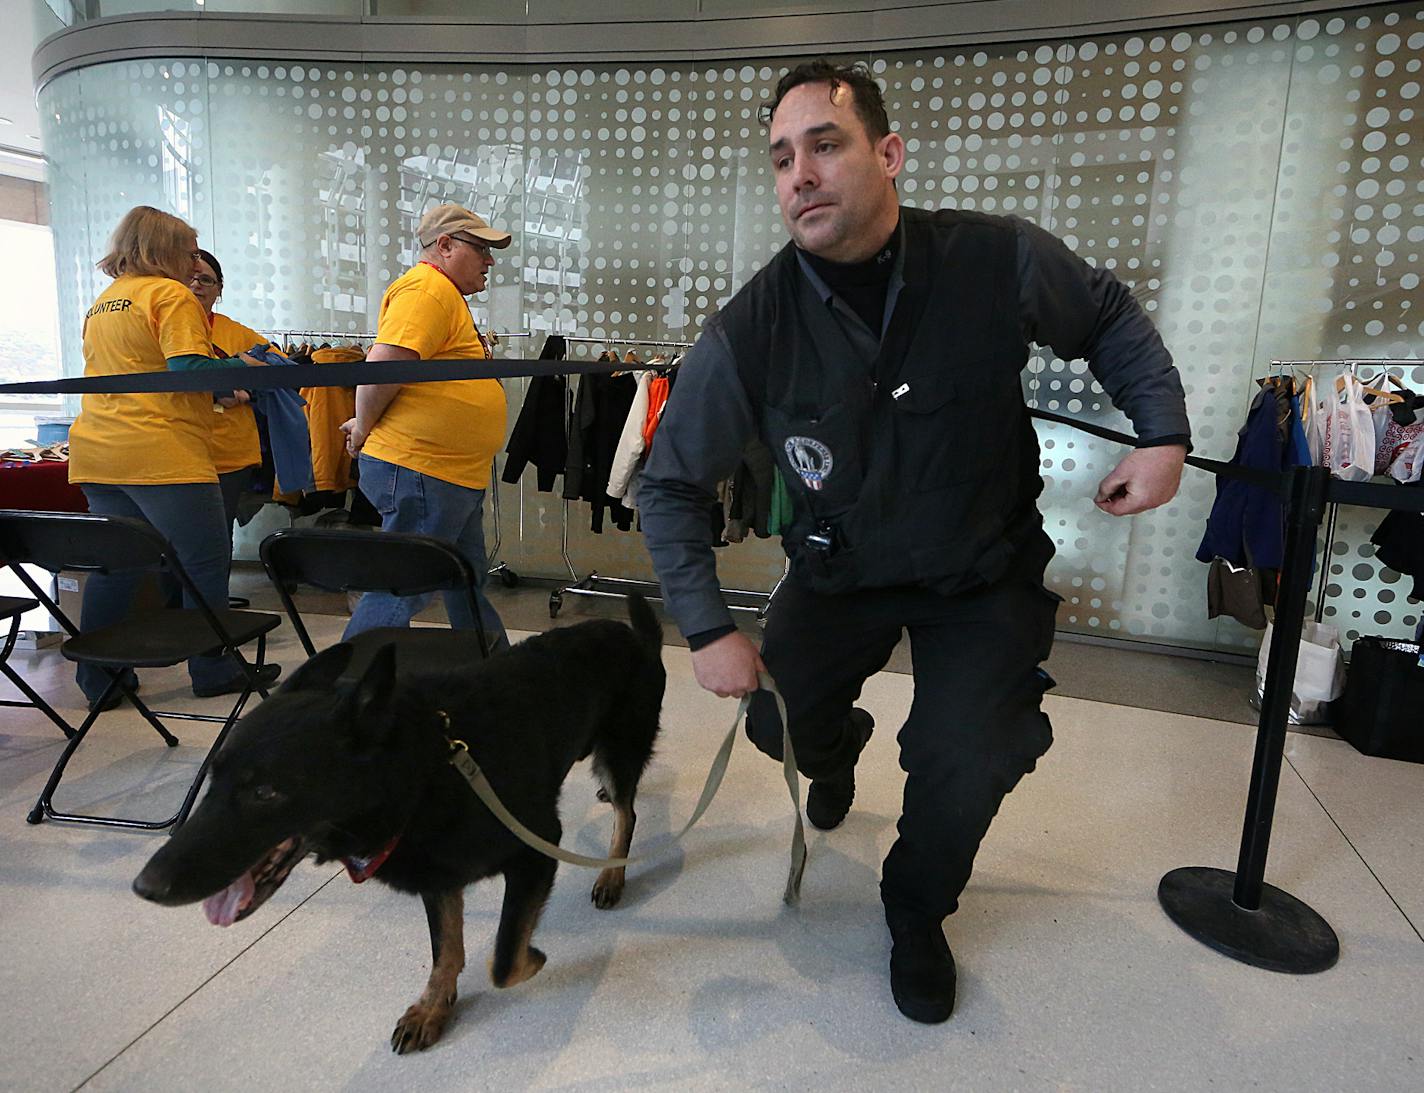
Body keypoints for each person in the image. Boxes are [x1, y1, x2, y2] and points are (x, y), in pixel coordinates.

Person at [638, 61, 1191, 1024]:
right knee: (779, 723)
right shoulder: (752, 325)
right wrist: (703, 627)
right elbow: (672, 484)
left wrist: (1161, 433)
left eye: (824, 145)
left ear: (888, 155)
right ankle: (839, 741)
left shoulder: (994, 258)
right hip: (841, 574)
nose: (799, 174)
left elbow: (1104, 316)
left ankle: (914, 909)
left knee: (969, 752)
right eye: (780, 159)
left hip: (980, 573)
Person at [67, 206, 281, 704]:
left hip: (101, 451)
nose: (194, 262)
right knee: (203, 563)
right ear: (163, 250)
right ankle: (213, 669)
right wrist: (241, 365)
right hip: (162, 452)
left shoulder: (105, 301)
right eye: (188, 251)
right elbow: (188, 370)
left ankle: (100, 678)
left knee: (117, 566)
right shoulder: (169, 294)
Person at [339, 203, 512, 652]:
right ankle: (341, 690)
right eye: (482, 249)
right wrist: (362, 427)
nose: (490, 261)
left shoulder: (440, 294)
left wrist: (363, 422)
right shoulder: (426, 290)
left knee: (464, 579)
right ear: (446, 245)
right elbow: (383, 369)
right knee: (405, 585)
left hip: (448, 471)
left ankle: (497, 673)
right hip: (425, 469)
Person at [187, 248, 264, 552]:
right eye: (190, 278)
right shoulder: (158, 328)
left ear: (219, 289)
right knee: (177, 541)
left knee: (217, 537)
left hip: (230, 455)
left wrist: (247, 393)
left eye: (206, 280)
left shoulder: (238, 333)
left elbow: (281, 372)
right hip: (178, 451)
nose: (196, 286)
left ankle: (212, 599)